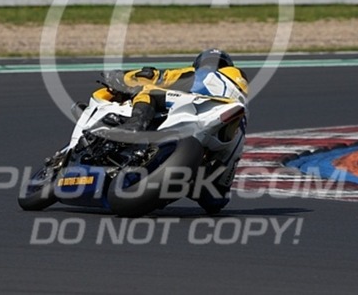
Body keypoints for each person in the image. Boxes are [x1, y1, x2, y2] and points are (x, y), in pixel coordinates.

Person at [98, 48, 249, 212]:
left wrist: (118, 77)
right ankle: (186, 179)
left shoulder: (199, 73)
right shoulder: (240, 100)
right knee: (217, 199)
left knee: (148, 90)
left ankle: (134, 126)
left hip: (202, 107)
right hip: (231, 129)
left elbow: (154, 76)